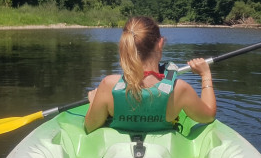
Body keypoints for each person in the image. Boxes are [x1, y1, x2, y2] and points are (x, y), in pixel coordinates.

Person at [85, 16, 216, 134]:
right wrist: (205, 75)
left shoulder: (109, 86)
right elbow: (209, 115)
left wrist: (93, 101)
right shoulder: (180, 90)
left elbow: (89, 127)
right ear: (160, 43)